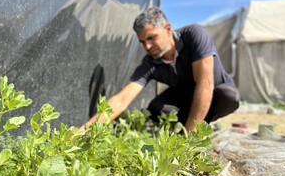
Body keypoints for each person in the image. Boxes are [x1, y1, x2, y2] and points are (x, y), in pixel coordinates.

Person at [79, 7, 239, 132]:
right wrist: (81, 132)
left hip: (214, 91)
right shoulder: (151, 63)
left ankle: (197, 128)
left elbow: (205, 84)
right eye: (142, 42)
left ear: (168, 29)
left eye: (151, 38)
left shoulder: (194, 36)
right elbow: (121, 100)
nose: (147, 46)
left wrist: (189, 138)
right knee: (156, 108)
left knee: (228, 96)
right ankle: (184, 128)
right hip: (187, 97)